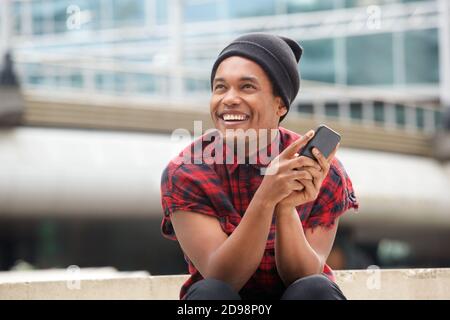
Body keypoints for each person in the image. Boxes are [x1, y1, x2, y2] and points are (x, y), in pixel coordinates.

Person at [160, 33, 359, 300]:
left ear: (280, 104)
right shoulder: (187, 172)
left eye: (247, 87)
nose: (229, 99)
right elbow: (223, 277)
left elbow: (305, 276)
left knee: (316, 288)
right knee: (210, 293)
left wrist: (286, 207)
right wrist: (266, 198)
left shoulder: (323, 171)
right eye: (220, 87)